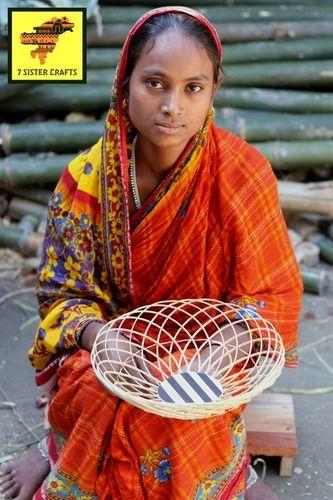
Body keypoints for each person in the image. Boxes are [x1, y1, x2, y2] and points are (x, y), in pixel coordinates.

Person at [0, 6, 303, 499]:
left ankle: (229, 471)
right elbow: (61, 296)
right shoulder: (85, 180)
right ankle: (58, 450)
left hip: (208, 353)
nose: (172, 106)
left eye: (193, 88)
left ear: (214, 91)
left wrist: (216, 355)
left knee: (179, 411)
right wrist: (102, 338)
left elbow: (270, 295)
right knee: (104, 394)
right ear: (124, 84)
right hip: (110, 350)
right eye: (155, 83)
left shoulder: (242, 174)